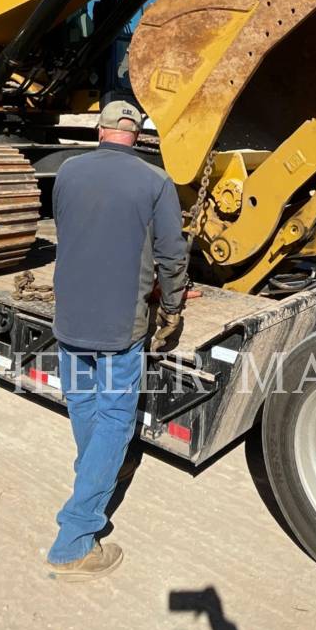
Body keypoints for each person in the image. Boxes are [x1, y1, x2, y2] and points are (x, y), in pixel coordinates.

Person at [44, 99, 188, 581]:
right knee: (114, 416)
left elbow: (68, 229)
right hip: (119, 325)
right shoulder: (156, 181)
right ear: (137, 134)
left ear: (101, 131)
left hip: (69, 315)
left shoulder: (68, 172)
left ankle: (96, 472)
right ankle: (75, 539)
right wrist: (171, 309)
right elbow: (172, 256)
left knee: (83, 404)